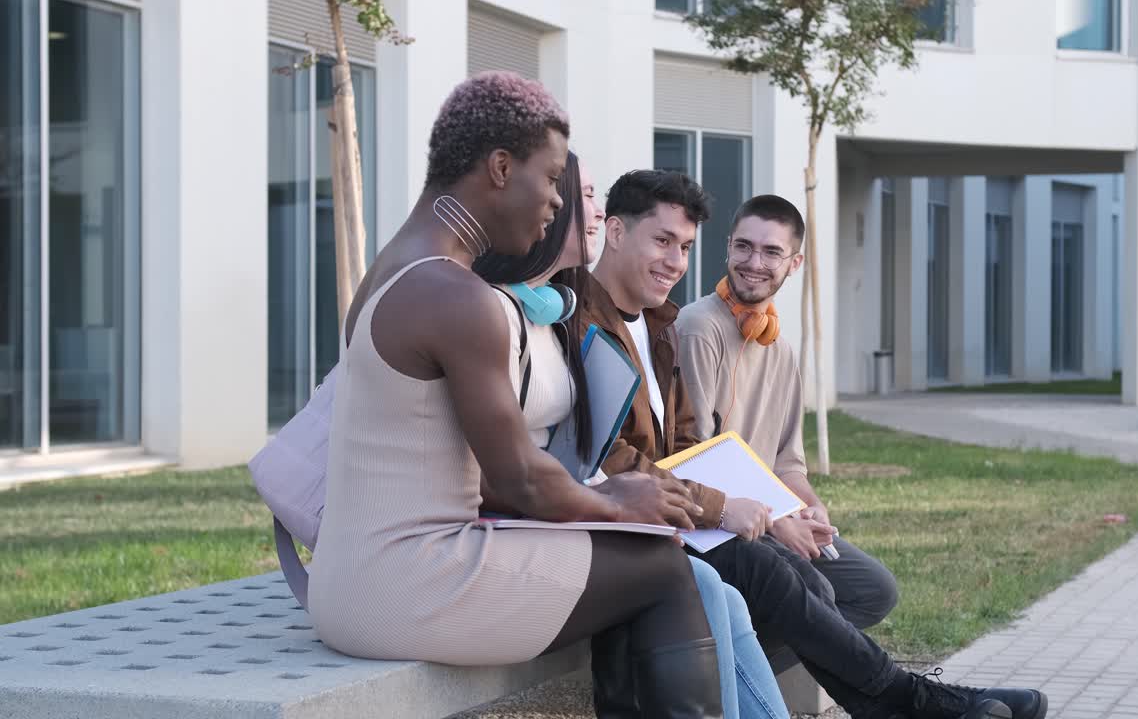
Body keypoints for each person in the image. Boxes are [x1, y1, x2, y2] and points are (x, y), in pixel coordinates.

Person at [306, 72, 722, 718]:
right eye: (551, 178)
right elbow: (520, 479)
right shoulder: (454, 294)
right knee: (661, 567)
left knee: (636, 565)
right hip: (405, 585)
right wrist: (616, 500)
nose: (558, 201)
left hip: (353, 579)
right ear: (501, 168)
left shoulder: (394, 266)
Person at [577, 169, 1046, 719]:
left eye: (684, 247)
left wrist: (793, 508)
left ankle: (898, 702)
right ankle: (914, 701)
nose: (676, 261)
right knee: (781, 578)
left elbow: (688, 445)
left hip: (692, 513)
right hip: (644, 524)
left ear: (793, 263)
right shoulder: (601, 322)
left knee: (818, 585)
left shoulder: (660, 325)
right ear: (614, 231)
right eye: (663, 241)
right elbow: (610, 454)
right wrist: (727, 508)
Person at [473, 151, 788, 719]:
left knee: (734, 588)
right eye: (585, 196)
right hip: (521, 526)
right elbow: (523, 466)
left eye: (685, 247)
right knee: (695, 579)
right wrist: (622, 504)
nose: (596, 212)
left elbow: (672, 444)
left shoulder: (557, 310)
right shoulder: (514, 315)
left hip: (585, 510)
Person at [675, 194, 899, 632]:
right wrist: (779, 521)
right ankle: (753, 655)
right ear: (728, 247)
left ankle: (765, 649)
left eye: (771, 252)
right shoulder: (698, 328)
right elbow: (694, 457)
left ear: (794, 263)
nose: (754, 262)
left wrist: (811, 508)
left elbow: (787, 463)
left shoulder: (780, 348)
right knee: (818, 593)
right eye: (744, 246)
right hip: (716, 521)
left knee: (875, 590)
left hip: (770, 515)